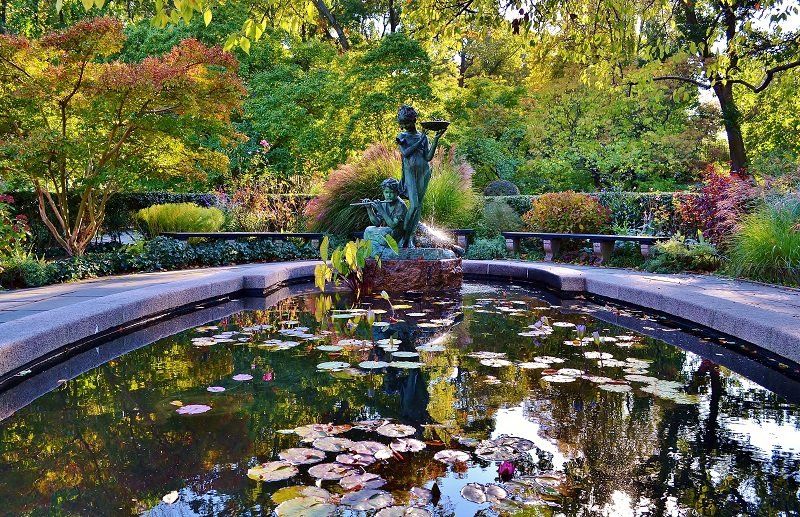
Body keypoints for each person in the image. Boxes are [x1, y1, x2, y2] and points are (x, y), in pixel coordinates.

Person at [396, 105, 446, 247]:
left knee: (419, 206)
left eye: (407, 122)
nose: (405, 126)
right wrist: (421, 139)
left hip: (424, 171)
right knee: (414, 204)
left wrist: (435, 139)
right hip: (410, 172)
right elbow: (406, 153)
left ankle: (410, 238)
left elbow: (428, 157)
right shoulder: (402, 137)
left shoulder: (422, 137)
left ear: (415, 120)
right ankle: (403, 235)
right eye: (402, 123)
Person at [362, 178, 408, 256]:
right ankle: (371, 253)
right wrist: (369, 208)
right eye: (386, 192)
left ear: (397, 193)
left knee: (382, 233)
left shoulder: (401, 205)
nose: (388, 195)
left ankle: (379, 252)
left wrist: (381, 210)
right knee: (368, 230)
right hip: (386, 232)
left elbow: (393, 225)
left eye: (392, 192)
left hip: (397, 235)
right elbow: (376, 223)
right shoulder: (384, 204)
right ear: (383, 192)